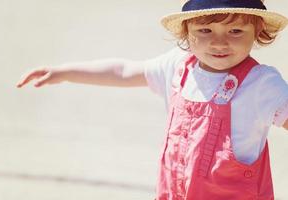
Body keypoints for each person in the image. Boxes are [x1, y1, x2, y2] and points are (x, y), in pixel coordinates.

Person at [17, 0, 288, 199]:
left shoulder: (261, 84)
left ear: (257, 32)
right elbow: (124, 71)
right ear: (186, 31)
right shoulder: (178, 66)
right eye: (205, 31)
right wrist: (64, 72)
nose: (219, 42)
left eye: (235, 32)